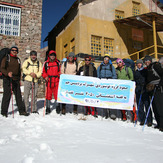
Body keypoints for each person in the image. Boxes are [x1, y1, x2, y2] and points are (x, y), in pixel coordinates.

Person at [0, 46, 29, 117]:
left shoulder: (18, 59)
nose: (14, 51)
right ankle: (4, 112)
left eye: (16, 50)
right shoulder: (6, 58)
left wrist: (19, 79)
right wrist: (7, 73)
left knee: (18, 96)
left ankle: (22, 111)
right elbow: (2, 68)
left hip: (15, 79)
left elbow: (19, 71)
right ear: (10, 51)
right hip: (7, 79)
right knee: (7, 95)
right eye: (13, 50)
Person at [144, 56, 163, 131]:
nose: (147, 62)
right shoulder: (148, 68)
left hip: (158, 89)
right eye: (145, 61)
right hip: (151, 89)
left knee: (160, 107)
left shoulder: (155, 66)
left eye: (148, 60)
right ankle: (158, 123)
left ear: (150, 61)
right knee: (154, 107)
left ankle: (162, 125)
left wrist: (160, 85)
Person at [97, 54, 117, 120]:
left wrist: (113, 82)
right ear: (103, 59)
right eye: (105, 59)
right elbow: (98, 75)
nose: (106, 60)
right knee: (104, 98)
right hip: (103, 84)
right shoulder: (100, 66)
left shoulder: (111, 66)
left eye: (107, 59)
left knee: (110, 98)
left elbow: (114, 75)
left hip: (110, 84)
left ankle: (112, 113)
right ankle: (105, 113)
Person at [134, 59, 152, 126]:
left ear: (142, 64)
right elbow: (134, 80)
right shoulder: (135, 72)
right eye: (138, 64)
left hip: (145, 89)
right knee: (140, 105)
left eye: (140, 63)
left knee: (147, 105)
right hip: (138, 89)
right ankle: (142, 119)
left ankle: (149, 120)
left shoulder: (145, 71)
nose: (139, 65)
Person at [42, 50, 60, 114]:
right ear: (49, 56)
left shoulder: (58, 63)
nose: (52, 56)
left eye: (53, 55)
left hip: (56, 81)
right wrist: (45, 76)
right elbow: (43, 72)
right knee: (48, 95)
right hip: (49, 81)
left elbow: (60, 71)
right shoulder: (46, 63)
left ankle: (58, 107)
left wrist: (59, 74)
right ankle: (48, 108)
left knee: (57, 95)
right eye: (51, 55)